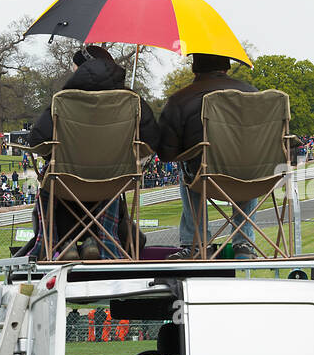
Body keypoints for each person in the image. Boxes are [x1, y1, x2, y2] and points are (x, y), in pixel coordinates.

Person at [27, 45, 162, 259]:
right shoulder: (131, 100)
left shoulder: (63, 100)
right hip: (114, 183)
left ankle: (58, 244)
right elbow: (153, 140)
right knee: (105, 186)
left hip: (66, 183)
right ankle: (101, 242)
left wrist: (55, 155)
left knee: (50, 179)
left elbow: (37, 141)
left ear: (81, 69)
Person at [158, 53, 262, 259]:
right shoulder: (255, 95)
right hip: (253, 177)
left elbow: (166, 153)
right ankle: (244, 243)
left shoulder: (180, 99)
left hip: (206, 179)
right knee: (247, 162)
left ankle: (196, 243)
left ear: (195, 69)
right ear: (226, 67)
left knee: (188, 167)